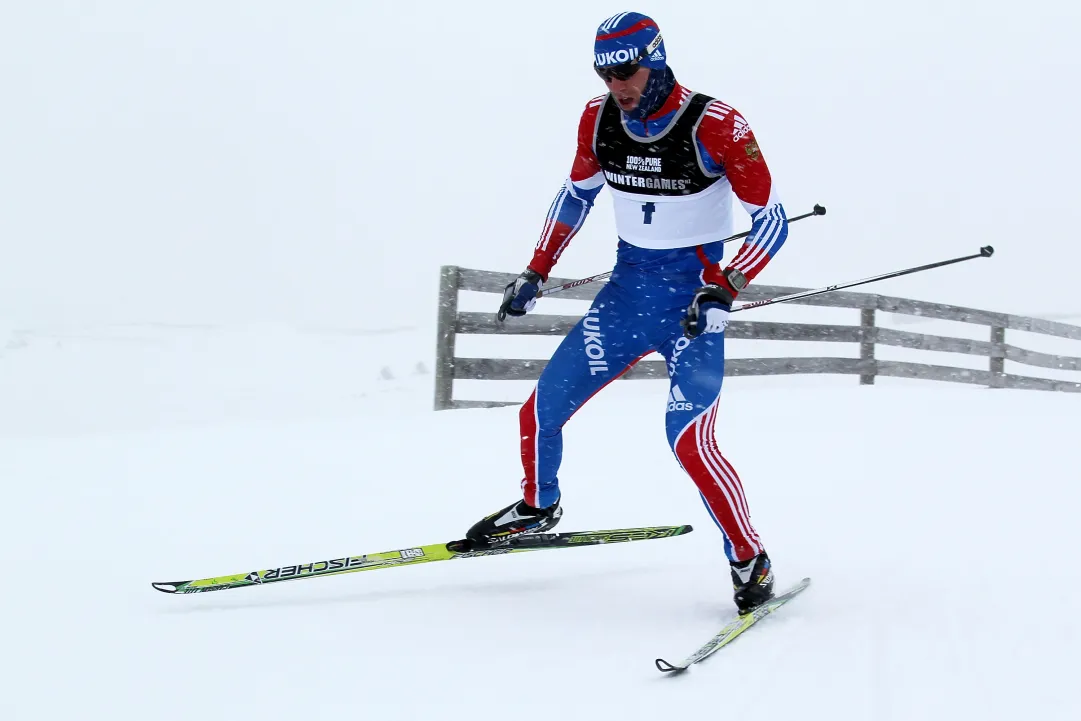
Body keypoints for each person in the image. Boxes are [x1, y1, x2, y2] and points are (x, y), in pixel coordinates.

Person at [465, 11, 789, 614]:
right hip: (626, 299)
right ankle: (539, 507)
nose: (618, 84)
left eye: (628, 70)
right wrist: (536, 270)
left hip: (694, 307)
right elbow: (575, 196)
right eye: (605, 72)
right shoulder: (598, 118)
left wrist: (728, 285)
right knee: (540, 412)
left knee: (690, 443)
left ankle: (750, 558)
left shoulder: (717, 125)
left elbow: (773, 220)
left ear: (658, 60)